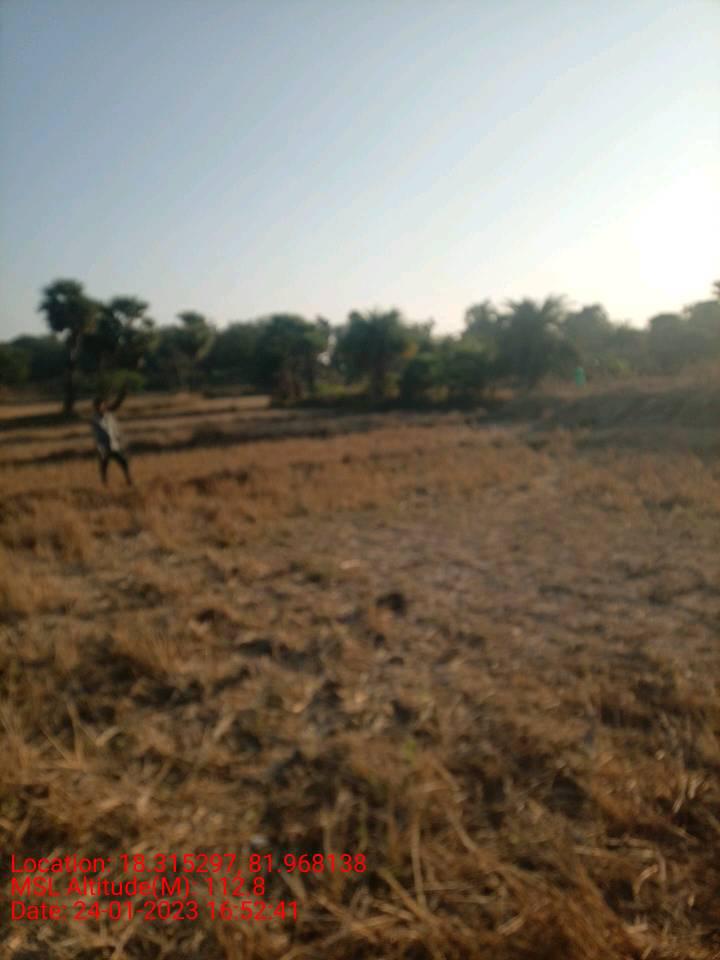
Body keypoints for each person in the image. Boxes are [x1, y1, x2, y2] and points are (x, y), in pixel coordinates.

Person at [91, 385, 132, 486]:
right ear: (95, 407)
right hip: (103, 446)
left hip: (114, 444)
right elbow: (96, 435)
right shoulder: (94, 419)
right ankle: (105, 483)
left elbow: (116, 405)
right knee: (104, 465)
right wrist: (99, 448)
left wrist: (122, 394)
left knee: (123, 461)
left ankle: (128, 480)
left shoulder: (109, 414)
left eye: (101, 405)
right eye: (98, 406)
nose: (100, 407)